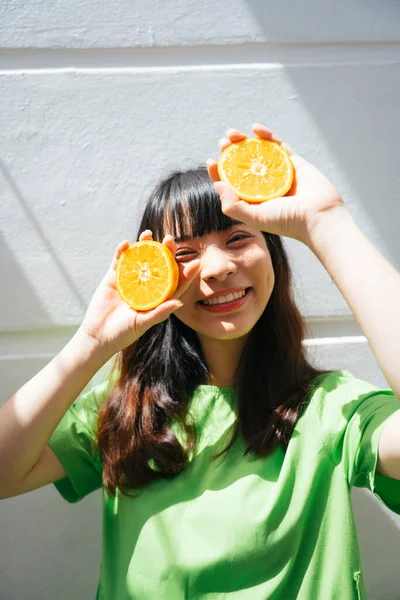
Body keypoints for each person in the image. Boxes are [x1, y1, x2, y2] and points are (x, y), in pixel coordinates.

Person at [1, 123, 400, 600]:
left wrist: (327, 222)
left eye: (237, 239)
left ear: (273, 252)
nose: (216, 268)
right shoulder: (125, 411)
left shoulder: (332, 409)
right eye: (185, 253)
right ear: (160, 276)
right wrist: (91, 343)